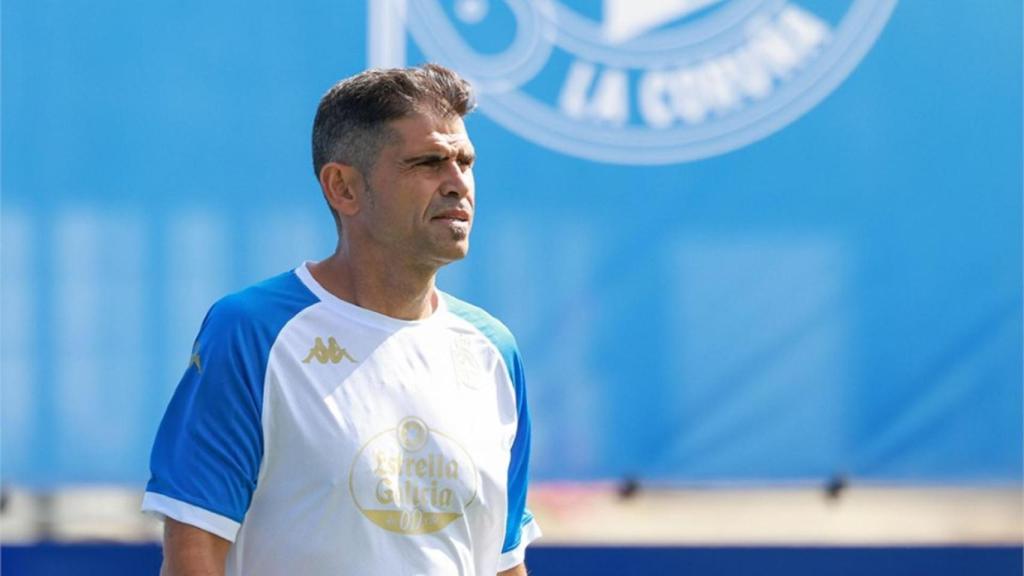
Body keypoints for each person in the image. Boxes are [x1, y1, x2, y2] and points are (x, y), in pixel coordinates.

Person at [142, 64, 540, 576]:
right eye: (428, 162)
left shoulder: (493, 350)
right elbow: (194, 549)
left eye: (465, 161)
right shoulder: (252, 332)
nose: (458, 184)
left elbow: (502, 563)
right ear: (343, 188)